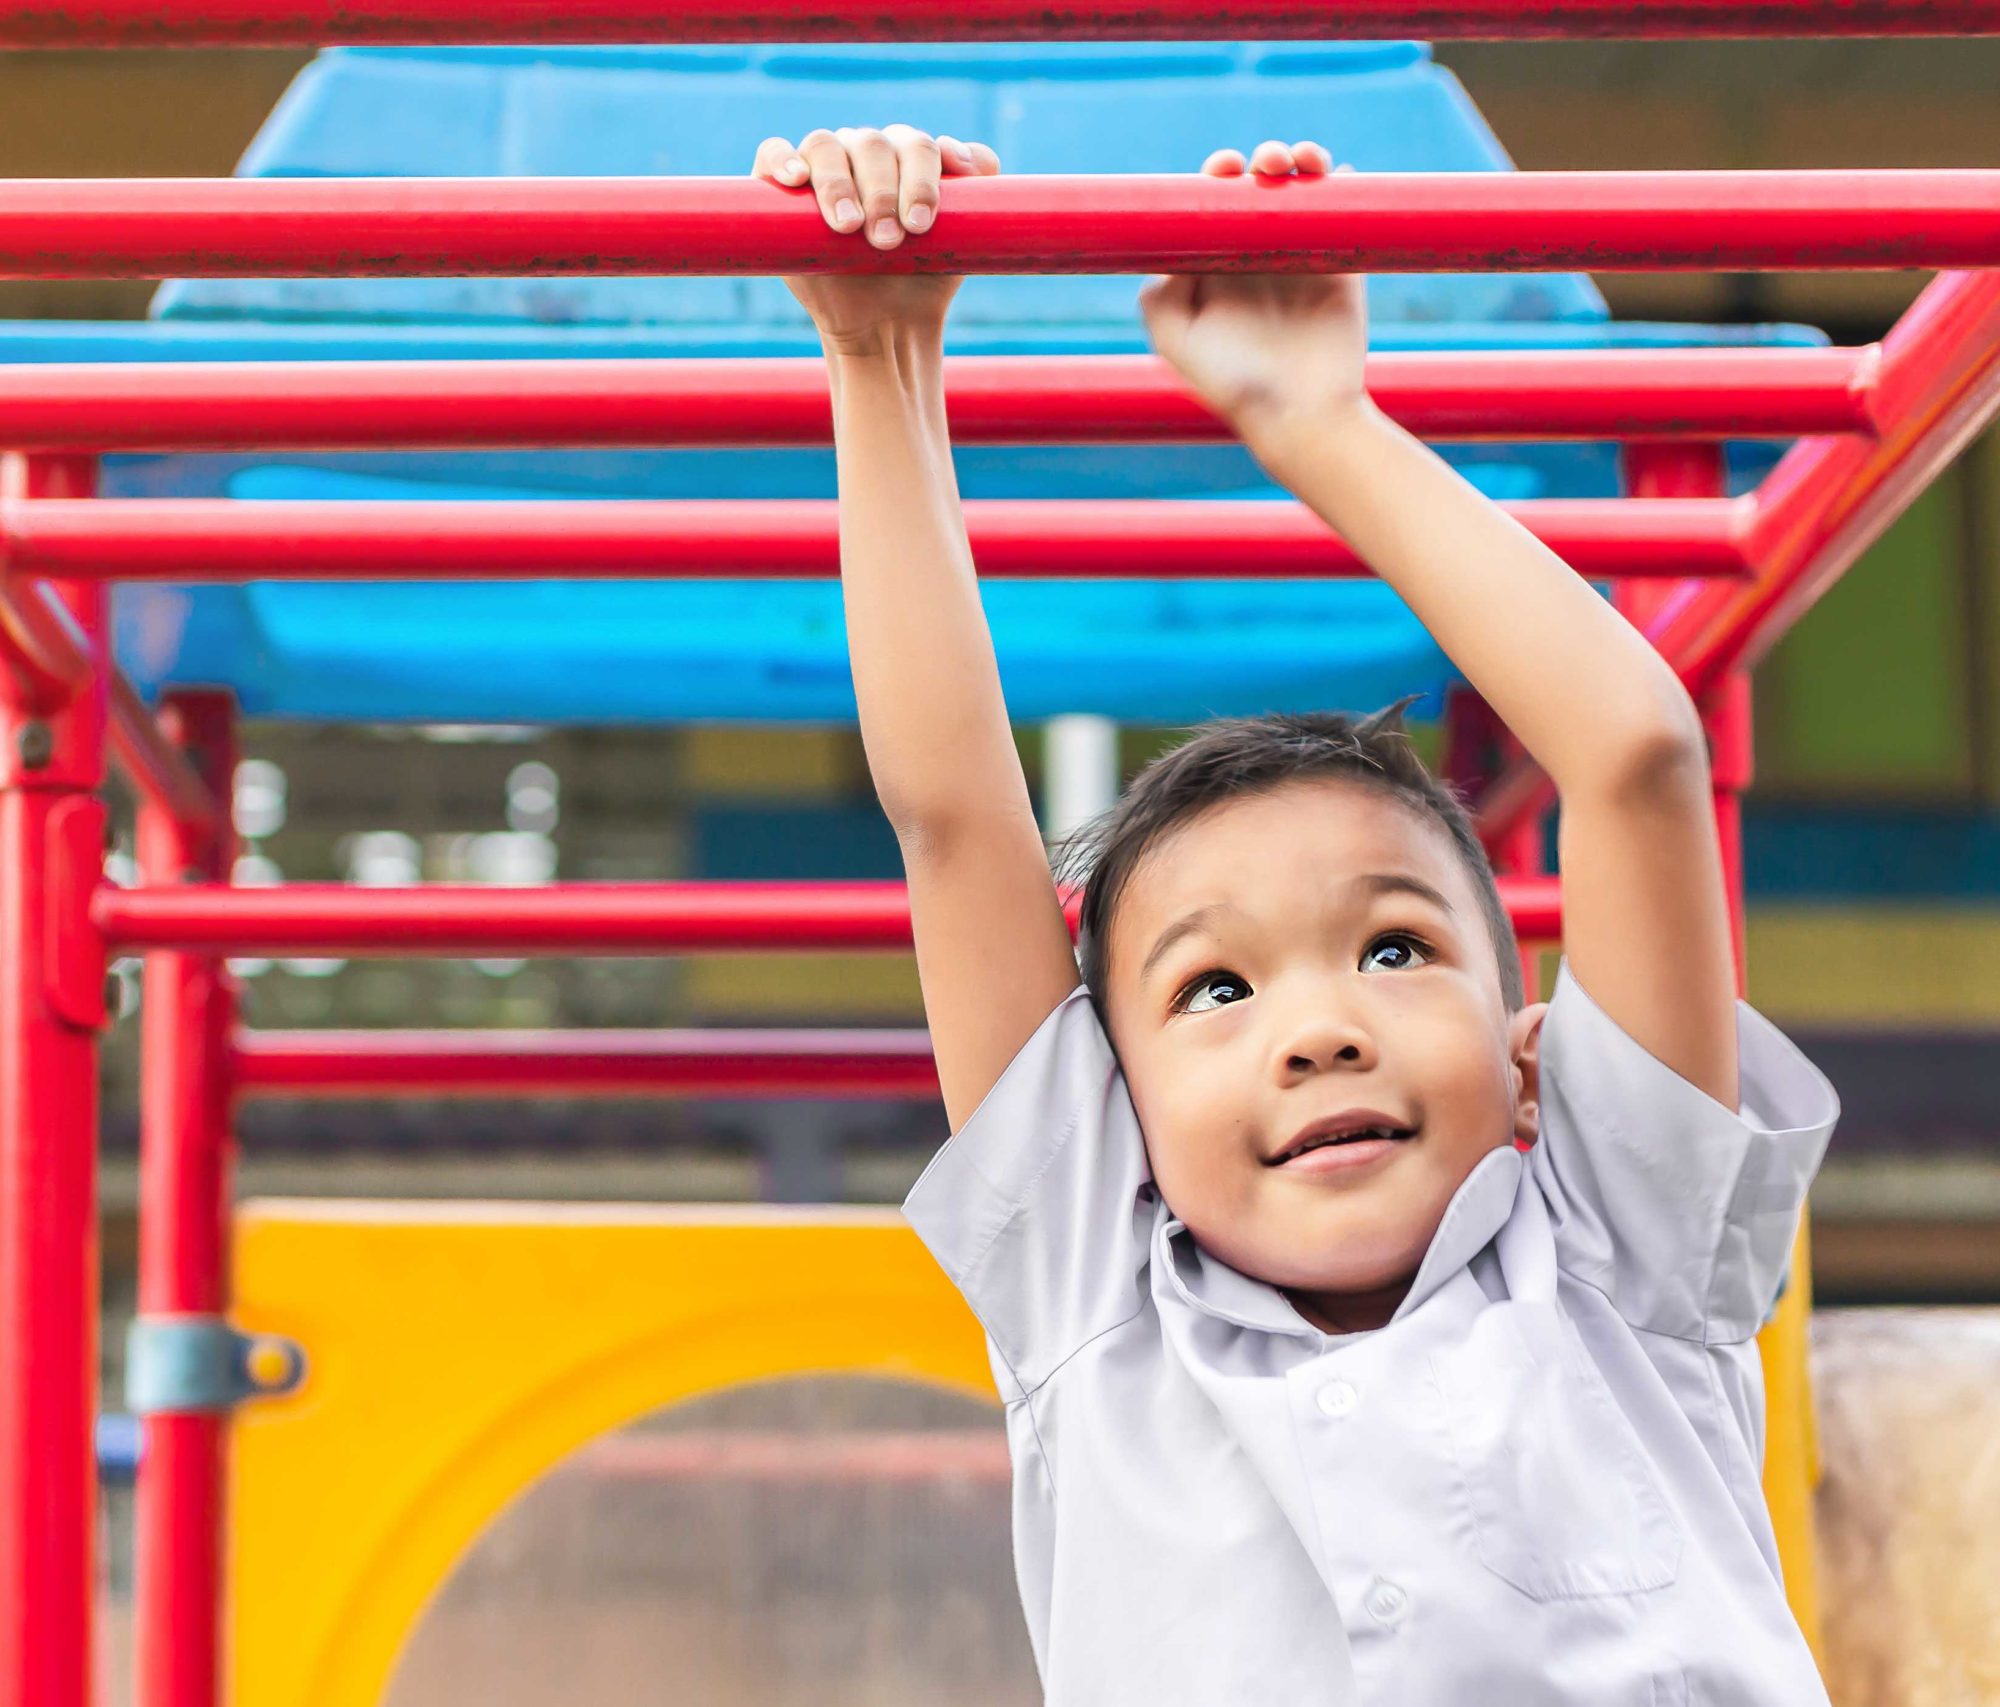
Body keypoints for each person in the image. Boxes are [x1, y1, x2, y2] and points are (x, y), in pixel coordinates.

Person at [754, 124, 1840, 1705]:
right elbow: (951, 826)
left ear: (1533, 1048)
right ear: (1109, 1113)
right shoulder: (1097, 1307)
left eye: (1396, 949)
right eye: (1212, 990)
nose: (1322, 1026)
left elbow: (1636, 757)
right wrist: (880, 353)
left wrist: (1317, 420)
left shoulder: (1620, 1261)